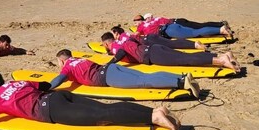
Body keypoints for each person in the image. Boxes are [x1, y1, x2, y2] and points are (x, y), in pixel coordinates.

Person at [0, 71, 181, 130]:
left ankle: (153, 118)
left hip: (53, 110)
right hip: (58, 97)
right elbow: (45, 85)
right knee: (104, 105)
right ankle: (154, 110)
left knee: (102, 115)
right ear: (3, 80)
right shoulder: (20, 82)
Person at [52, 49, 200, 98]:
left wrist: (45, 87)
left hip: (108, 77)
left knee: (142, 81)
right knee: (145, 75)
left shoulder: (67, 67)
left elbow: (59, 79)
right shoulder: (79, 59)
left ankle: (182, 83)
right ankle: (182, 76)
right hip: (111, 68)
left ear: (61, 60)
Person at [101, 32, 240, 72]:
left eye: (104, 45)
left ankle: (221, 61)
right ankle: (221, 56)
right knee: (185, 56)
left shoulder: (114, 47)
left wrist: (110, 64)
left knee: (185, 60)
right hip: (154, 48)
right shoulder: (124, 39)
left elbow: (120, 53)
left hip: (153, 55)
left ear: (107, 43)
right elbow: (136, 41)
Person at [110, 25, 206, 55]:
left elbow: (128, 44)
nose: (113, 36)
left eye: (113, 34)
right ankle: (194, 45)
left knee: (171, 45)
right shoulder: (125, 34)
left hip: (148, 41)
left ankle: (195, 45)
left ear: (116, 33)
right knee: (171, 44)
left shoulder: (123, 36)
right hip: (149, 38)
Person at [132, 14, 232, 39]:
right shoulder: (152, 20)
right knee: (197, 28)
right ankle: (219, 27)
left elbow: (135, 35)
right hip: (172, 25)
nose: (135, 25)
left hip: (168, 31)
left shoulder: (141, 26)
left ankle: (221, 29)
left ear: (140, 21)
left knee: (195, 32)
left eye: (135, 22)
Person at [142, 13, 227, 29]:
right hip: (179, 20)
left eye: (146, 19)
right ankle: (220, 24)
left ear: (149, 18)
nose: (146, 20)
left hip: (179, 23)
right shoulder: (158, 18)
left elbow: (148, 24)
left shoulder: (154, 21)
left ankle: (220, 25)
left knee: (200, 26)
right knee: (200, 25)